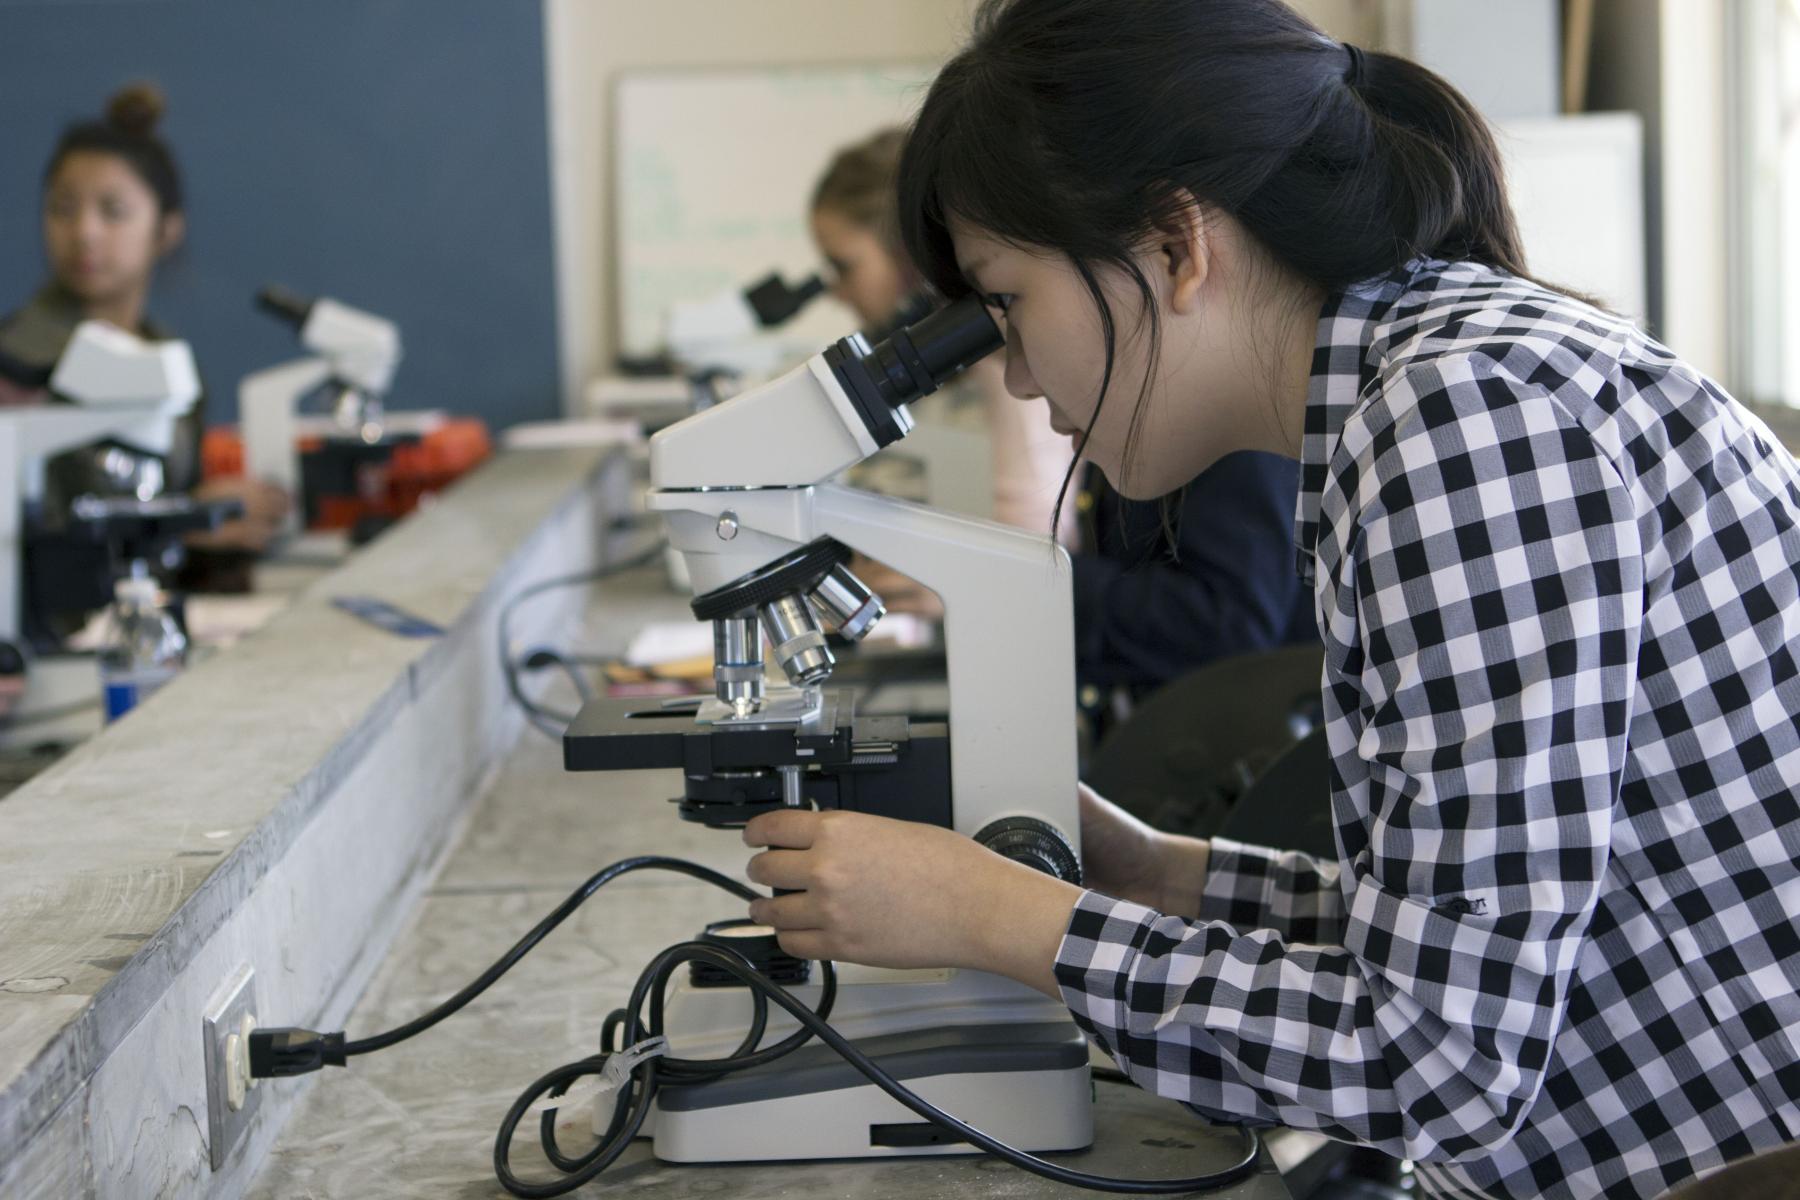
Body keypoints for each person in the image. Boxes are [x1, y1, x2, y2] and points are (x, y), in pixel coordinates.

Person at [738, 3, 1800, 1198]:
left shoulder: (1467, 423)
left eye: (1011, 302)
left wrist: (999, 920)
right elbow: (1457, 937)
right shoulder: (1418, 393)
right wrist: (1155, 875)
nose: (1021, 378)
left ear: (1178, 246)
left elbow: (1440, 1061)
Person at [810, 127, 1314, 711]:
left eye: (1009, 297)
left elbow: (1228, 621)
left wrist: (990, 583)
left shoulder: (1223, 400)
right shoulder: (1143, 392)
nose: (1023, 378)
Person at [0, 82, 287, 557]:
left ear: (166, 229)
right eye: (62, 209)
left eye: (113, 211)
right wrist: (182, 523)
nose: (84, 233)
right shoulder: (16, 365)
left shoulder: (172, 366)